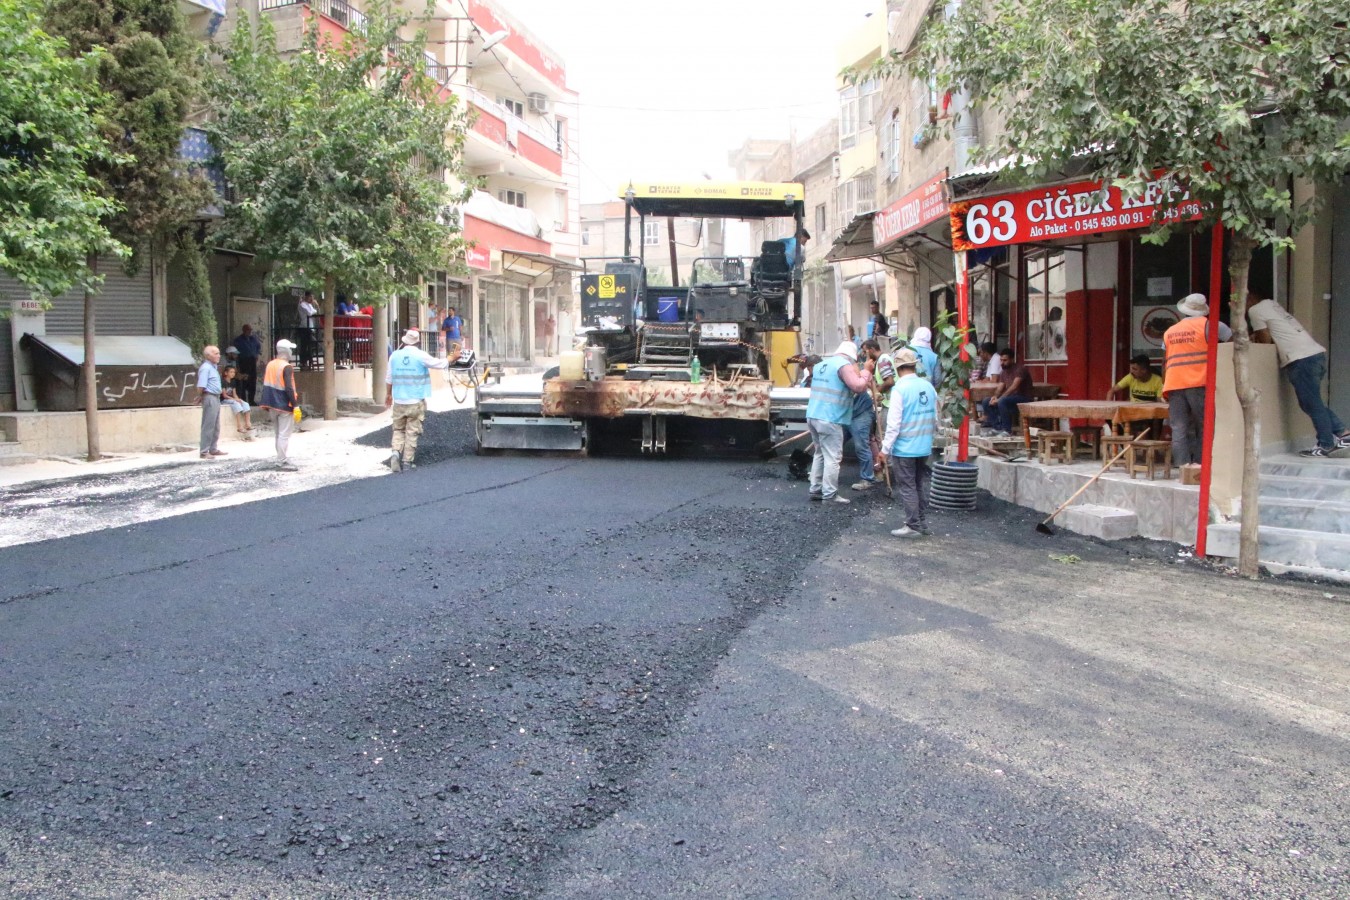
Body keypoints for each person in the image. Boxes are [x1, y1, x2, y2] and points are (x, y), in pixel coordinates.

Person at [1248, 291, 1350, 457]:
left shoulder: (1255, 310)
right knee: (1311, 402)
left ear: (1248, 300)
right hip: (1315, 355)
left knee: (1311, 403)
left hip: (1301, 360)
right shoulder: (1270, 304)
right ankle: (1343, 434)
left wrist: (1256, 337)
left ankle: (1326, 444)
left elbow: (1265, 339)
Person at [1162, 293, 1232, 466]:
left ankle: (1182, 466)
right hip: (1199, 383)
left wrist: (1165, 386)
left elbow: (1165, 362)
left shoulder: (1170, 331)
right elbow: (1234, 344)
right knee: (1205, 425)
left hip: (1174, 384)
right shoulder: (1211, 326)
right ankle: (1202, 465)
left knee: (1179, 428)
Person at [806, 341, 873, 504]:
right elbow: (858, 387)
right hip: (830, 417)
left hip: (813, 415)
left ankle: (815, 488)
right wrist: (866, 372)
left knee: (820, 453)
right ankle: (829, 494)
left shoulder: (823, 364)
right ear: (852, 356)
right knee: (832, 457)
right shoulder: (844, 366)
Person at [882, 348, 939, 537]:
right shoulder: (928, 387)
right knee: (918, 484)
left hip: (905, 447)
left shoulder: (900, 389)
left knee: (907, 487)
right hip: (923, 446)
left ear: (897, 368)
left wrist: (884, 449)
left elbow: (893, 424)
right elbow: (935, 418)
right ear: (914, 365)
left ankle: (912, 525)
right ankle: (921, 523)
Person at [385, 329, 455, 472]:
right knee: (412, 431)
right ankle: (407, 462)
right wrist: (452, 357)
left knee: (398, 429)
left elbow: (389, 378)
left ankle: (395, 453)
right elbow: (439, 364)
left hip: (399, 401)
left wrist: (388, 395)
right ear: (418, 342)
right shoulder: (420, 355)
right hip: (415, 400)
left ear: (404, 341)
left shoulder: (394, 356)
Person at [259, 338, 300, 471]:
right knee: (284, 434)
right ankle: (281, 461)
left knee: (278, 433)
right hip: (283, 404)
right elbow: (288, 388)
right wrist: (295, 405)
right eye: (291, 350)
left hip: (271, 403)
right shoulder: (286, 367)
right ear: (287, 351)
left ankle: (280, 458)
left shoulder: (271, 364)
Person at [985, 347, 1035, 435]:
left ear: (1012, 359)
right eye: (1001, 360)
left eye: (1005, 360)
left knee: (1002, 401)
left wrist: (1000, 398)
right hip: (1011, 399)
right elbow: (1000, 387)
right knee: (986, 401)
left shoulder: (1020, 369)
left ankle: (1007, 430)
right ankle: (997, 428)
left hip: (1024, 398)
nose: (1002, 363)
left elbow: (1014, 387)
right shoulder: (1004, 372)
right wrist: (994, 397)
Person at [196, 345, 226, 460]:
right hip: (210, 397)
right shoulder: (206, 368)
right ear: (208, 356)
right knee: (208, 425)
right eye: (215, 353)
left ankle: (213, 448)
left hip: (216, 397)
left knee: (215, 425)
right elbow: (201, 385)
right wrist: (200, 396)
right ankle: (204, 451)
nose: (218, 356)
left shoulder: (213, 367)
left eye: (218, 353)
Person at [220, 364, 255, 440]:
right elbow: (225, 395)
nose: (233, 374)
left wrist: (238, 399)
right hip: (224, 400)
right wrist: (235, 400)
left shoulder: (233, 382)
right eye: (231, 372)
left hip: (232, 399)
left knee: (245, 403)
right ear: (226, 373)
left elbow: (234, 394)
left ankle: (248, 424)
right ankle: (239, 426)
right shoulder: (223, 381)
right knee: (237, 405)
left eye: (234, 372)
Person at [230, 324, 262, 405]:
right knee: (243, 380)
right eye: (248, 330)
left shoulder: (253, 339)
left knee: (252, 381)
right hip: (243, 361)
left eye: (250, 330)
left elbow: (258, 347)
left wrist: (256, 354)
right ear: (244, 330)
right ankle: (243, 400)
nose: (250, 331)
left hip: (252, 361)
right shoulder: (238, 340)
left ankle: (251, 400)